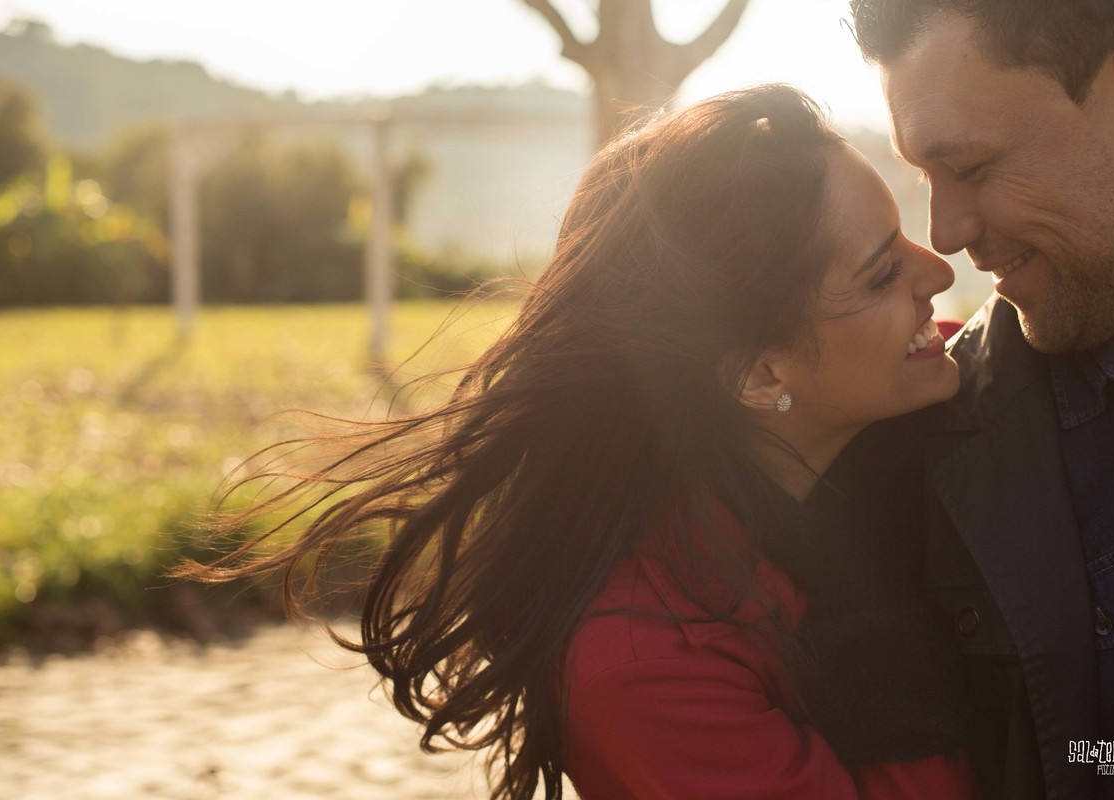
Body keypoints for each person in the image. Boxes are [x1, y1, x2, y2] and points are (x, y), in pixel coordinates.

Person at [187, 85, 978, 799]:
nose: (938, 272)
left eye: (902, 237)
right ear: (758, 373)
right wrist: (870, 591)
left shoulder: (918, 408)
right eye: (880, 275)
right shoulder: (644, 656)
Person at [846, 2, 1114, 799]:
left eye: (967, 168)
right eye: (923, 177)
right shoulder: (941, 442)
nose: (944, 232)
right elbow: (1065, 761)